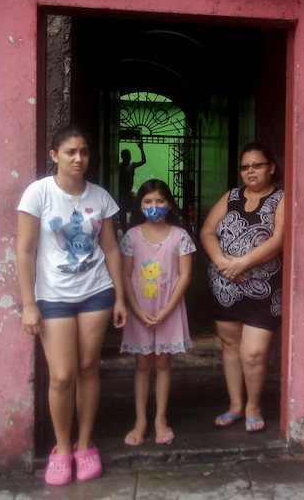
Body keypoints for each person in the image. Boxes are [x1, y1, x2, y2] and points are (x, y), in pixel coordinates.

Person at [16, 125, 127, 486]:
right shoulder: (38, 194)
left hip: (96, 292)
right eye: (70, 152)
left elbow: (112, 248)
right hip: (53, 297)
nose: (79, 158)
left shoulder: (101, 196)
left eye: (84, 152)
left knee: (87, 367)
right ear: (54, 155)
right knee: (62, 375)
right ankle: (62, 448)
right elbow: (25, 250)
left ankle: (84, 443)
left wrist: (120, 298)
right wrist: (29, 304)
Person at [200, 142, 285, 434]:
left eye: (257, 165)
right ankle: (236, 405)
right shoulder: (232, 196)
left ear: (271, 167)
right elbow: (207, 231)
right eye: (245, 166)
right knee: (230, 347)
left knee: (254, 352)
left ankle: (253, 406)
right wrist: (222, 262)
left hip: (264, 290)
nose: (250, 171)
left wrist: (242, 263)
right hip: (225, 286)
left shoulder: (281, 198)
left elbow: (278, 240)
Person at [119, 179, 196, 446]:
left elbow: (185, 276)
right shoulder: (130, 237)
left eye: (160, 201)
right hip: (139, 308)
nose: (154, 207)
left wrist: (167, 310)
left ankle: (160, 418)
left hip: (169, 308)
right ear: (139, 206)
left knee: (163, 363)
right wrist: (137, 310)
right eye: (148, 202)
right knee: (142, 364)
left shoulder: (180, 237)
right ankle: (140, 420)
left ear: (170, 204)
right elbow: (126, 275)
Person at [118, 141, 147, 233]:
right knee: (122, 213)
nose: (129, 157)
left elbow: (143, 161)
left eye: (129, 155)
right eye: (127, 155)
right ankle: (124, 232)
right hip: (122, 194)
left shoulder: (132, 165)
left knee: (135, 210)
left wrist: (141, 149)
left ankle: (131, 230)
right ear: (123, 156)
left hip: (128, 193)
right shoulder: (120, 167)